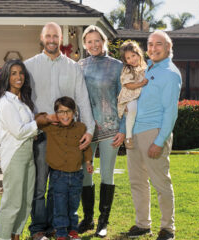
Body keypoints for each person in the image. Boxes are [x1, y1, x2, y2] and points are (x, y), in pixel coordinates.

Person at [24, 22, 95, 240]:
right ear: (42, 37)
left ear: (61, 38)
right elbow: (23, 102)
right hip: (41, 135)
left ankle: (55, 227)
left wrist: (89, 130)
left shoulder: (73, 67)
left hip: (67, 137)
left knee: (58, 186)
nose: (52, 40)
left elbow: (82, 98)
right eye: (48, 36)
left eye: (56, 36)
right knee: (39, 187)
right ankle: (37, 229)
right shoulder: (29, 66)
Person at [125, 30, 182, 240]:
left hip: (154, 132)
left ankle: (167, 228)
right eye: (150, 44)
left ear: (168, 48)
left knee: (160, 183)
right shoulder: (146, 68)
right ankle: (142, 224)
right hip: (136, 132)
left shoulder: (170, 73)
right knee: (137, 181)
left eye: (159, 44)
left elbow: (171, 112)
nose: (153, 48)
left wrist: (159, 141)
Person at [78, 25, 125, 238]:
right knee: (84, 175)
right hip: (86, 129)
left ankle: (103, 223)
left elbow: (125, 101)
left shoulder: (117, 67)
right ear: (84, 44)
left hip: (110, 128)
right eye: (89, 41)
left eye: (97, 40)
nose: (94, 44)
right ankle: (87, 219)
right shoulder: (79, 66)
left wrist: (123, 129)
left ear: (104, 41)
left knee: (107, 173)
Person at [0, 59, 46, 240]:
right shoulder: (6, 102)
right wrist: (37, 124)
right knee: (13, 201)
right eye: (14, 73)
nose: (18, 77)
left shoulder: (22, 101)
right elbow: (18, 131)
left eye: (21, 73)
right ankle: (2, 236)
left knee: (25, 201)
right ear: (7, 77)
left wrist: (35, 130)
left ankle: (16, 235)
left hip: (28, 153)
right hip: (14, 155)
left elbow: (26, 128)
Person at [35, 96, 94, 240]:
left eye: (68, 111)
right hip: (58, 175)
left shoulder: (81, 128)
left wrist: (88, 162)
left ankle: (73, 231)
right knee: (60, 206)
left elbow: (85, 147)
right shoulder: (51, 127)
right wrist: (48, 117)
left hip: (76, 175)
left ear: (74, 112)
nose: (65, 115)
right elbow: (37, 121)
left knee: (73, 206)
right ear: (56, 113)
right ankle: (61, 233)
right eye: (61, 112)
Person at [117, 40, 148, 149]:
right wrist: (141, 84)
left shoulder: (144, 68)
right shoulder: (127, 69)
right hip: (129, 97)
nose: (131, 60)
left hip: (139, 96)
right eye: (128, 58)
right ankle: (128, 136)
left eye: (133, 56)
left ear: (139, 53)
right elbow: (128, 85)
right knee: (133, 109)